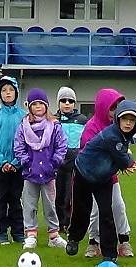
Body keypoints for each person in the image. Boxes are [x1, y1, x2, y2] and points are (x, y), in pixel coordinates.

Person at [65, 100, 136, 267]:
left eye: (132, 120)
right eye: (125, 119)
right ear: (117, 120)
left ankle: (109, 255)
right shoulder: (113, 136)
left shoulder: (123, 136)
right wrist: (128, 162)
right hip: (84, 173)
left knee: (106, 213)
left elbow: (120, 156)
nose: (128, 123)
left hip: (103, 177)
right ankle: (74, 238)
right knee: (81, 210)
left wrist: (125, 161)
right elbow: (122, 157)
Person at [80, 88, 135, 258]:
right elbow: (89, 152)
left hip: (110, 175)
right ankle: (93, 242)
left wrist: (126, 159)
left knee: (118, 206)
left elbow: (123, 149)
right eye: (112, 108)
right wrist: (123, 161)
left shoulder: (118, 127)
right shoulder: (91, 127)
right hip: (93, 177)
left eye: (117, 109)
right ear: (102, 107)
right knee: (96, 210)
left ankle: (124, 239)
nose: (114, 113)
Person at [14, 88, 68, 249]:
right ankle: (30, 234)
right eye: (34, 104)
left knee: (50, 204)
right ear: (29, 107)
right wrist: (26, 162)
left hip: (48, 173)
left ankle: (54, 235)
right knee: (29, 204)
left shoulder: (54, 126)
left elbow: (61, 146)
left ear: (46, 106)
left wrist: (54, 163)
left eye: (41, 104)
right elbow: (19, 146)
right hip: (30, 173)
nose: (38, 107)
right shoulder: (24, 126)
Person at [0, 76, 26, 245]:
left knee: (17, 199)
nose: (7, 93)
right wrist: (2, 162)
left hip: (18, 167)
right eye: (4, 90)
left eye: (10, 90)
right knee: (0, 199)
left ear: (16, 92)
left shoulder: (23, 116)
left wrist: (16, 162)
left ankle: (18, 231)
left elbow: (27, 141)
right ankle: (0, 231)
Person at [54, 87, 87, 231]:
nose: (67, 103)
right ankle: (59, 222)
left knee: (71, 194)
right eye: (63, 100)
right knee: (57, 194)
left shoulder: (82, 120)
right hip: (57, 161)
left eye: (70, 101)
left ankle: (69, 222)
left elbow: (87, 140)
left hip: (75, 162)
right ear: (58, 103)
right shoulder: (53, 120)